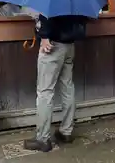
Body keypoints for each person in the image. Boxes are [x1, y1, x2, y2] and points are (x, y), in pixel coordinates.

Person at [24, 13, 88, 153]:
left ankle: (42, 139)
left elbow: (47, 13)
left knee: (45, 92)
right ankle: (66, 131)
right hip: (69, 45)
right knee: (67, 87)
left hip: (52, 45)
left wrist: (45, 36)